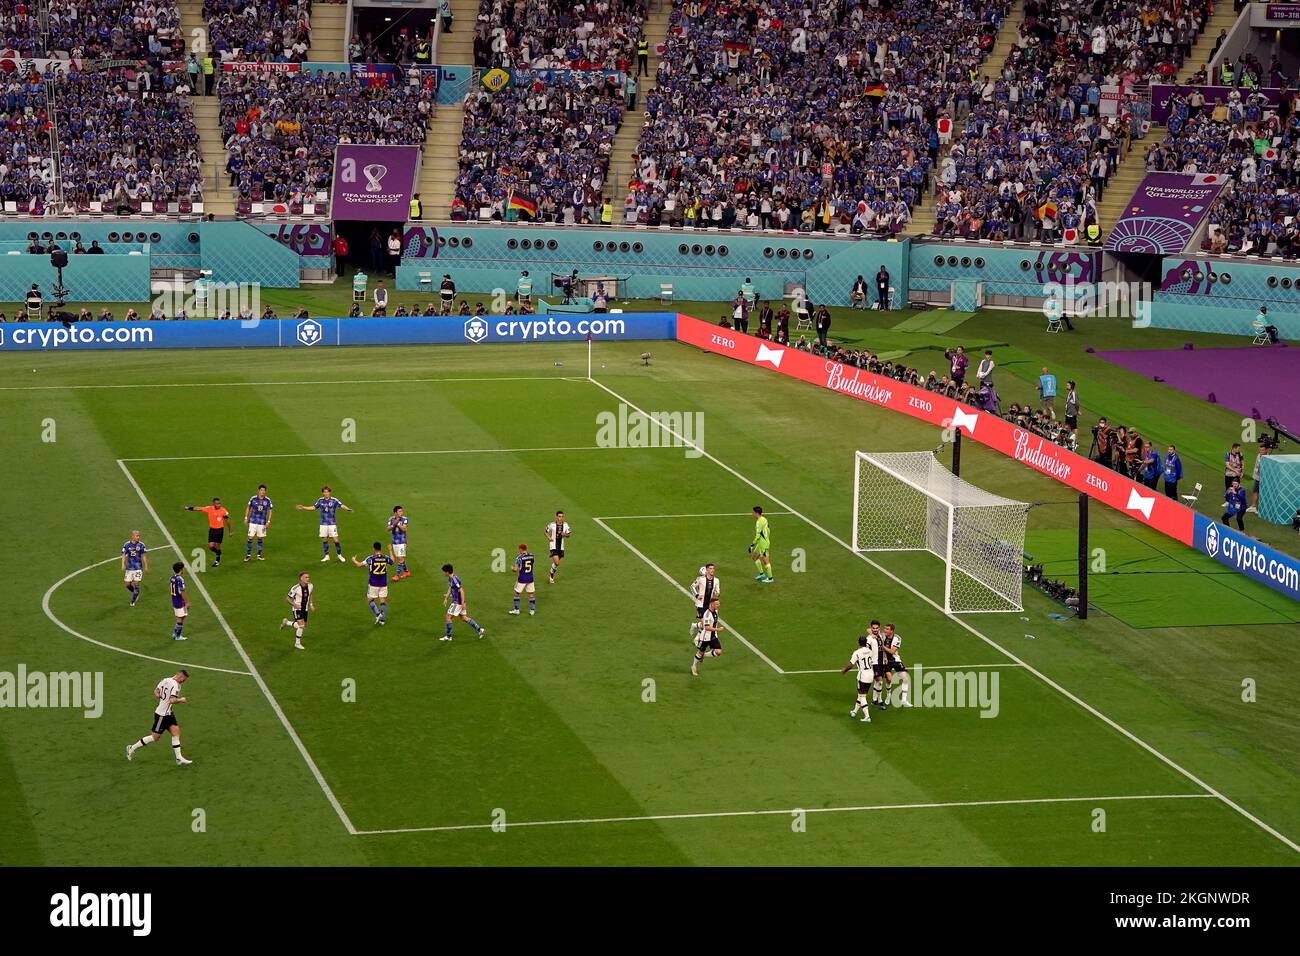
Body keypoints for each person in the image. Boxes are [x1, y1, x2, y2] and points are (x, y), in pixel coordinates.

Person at [125, 671, 192, 765]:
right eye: (184, 679)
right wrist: (181, 700)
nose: (183, 681)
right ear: (180, 676)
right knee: (155, 737)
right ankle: (131, 748)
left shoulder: (165, 680)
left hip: (168, 713)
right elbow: (172, 700)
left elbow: (156, 691)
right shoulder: (176, 685)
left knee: (176, 732)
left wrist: (160, 697)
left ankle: (179, 758)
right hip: (161, 715)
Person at [296, 486, 353, 562]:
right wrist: (303, 507)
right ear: (323, 493)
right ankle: (327, 556)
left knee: (336, 540)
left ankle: (339, 555)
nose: (326, 493)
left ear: (330, 492)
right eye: (324, 492)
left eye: (327, 492)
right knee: (324, 540)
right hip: (323, 524)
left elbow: (341, 505)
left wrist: (347, 509)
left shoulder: (334, 500)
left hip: (332, 524)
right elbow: (313, 507)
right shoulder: (320, 500)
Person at [840, 630, 880, 723]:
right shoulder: (870, 651)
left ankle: (867, 716)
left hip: (862, 677)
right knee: (861, 695)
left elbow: (851, 664)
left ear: (858, 643)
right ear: (866, 642)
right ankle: (854, 711)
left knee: (862, 697)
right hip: (871, 675)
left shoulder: (857, 652)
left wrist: (844, 670)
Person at [440, 564, 485, 640]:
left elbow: (461, 591)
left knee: (448, 617)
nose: (443, 573)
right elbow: (450, 588)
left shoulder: (454, 579)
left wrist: (463, 603)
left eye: (444, 572)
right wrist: (446, 598)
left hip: (457, 602)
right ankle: (480, 630)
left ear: (447, 572)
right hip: (458, 601)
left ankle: (448, 636)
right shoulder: (450, 578)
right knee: (464, 618)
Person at [353, 542, 393, 625]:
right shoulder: (385, 557)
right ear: (380, 549)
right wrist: (390, 550)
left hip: (373, 584)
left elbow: (359, 565)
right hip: (383, 584)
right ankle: (382, 619)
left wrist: (354, 560)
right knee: (382, 601)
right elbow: (392, 561)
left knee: (370, 600)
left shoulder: (371, 558)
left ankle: (378, 615)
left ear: (374, 549)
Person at [184, 497, 230, 567]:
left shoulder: (223, 510)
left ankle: (217, 560)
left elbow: (227, 521)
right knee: (210, 546)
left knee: (217, 546)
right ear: (213, 504)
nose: (219, 505)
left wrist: (230, 530)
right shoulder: (209, 508)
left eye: (220, 503)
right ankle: (218, 553)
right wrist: (188, 508)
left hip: (220, 530)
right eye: (217, 504)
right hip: (212, 530)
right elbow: (198, 508)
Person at [879, 622, 911, 709]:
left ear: (891, 631)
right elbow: (869, 630)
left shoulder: (897, 638)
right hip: (886, 660)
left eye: (887, 629)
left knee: (905, 678)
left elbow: (892, 652)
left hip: (895, 659)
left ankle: (904, 700)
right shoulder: (882, 635)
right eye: (884, 628)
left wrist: (882, 646)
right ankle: (889, 695)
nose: (884, 630)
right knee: (889, 679)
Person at [280, 572, 315, 650]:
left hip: (305, 609)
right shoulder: (295, 588)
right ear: (301, 578)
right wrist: (294, 604)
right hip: (297, 609)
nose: (308, 579)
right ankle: (297, 643)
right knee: (301, 626)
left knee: (303, 626)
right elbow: (288, 598)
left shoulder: (310, 586)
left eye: (308, 577)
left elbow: (311, 594)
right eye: (306, 577)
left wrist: (311, 604)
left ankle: (287, 623)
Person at [690, 597, 724, 677]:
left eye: (719, 604)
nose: (718, 605)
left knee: (718, 652)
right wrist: (718, 629)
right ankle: (694, 666)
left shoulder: (716, 611)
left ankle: (703, 655)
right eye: (717, 604)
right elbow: (706, 627)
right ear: (712, 604)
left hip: (713, 636)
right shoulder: (707, 614)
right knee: (699, 653)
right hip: (705, 637)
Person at [689, 564, 721, 637]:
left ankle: (695, 626)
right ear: (706, 570)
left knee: (710, 624)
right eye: (710, 568)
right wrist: (697, 595)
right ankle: (698, 640)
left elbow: (718, 591)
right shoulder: (700, 579)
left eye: (713, 568)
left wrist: (717, 593)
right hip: (700, 605)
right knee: (705, 626)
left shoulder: (716, 580)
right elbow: (692, 586)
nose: (712, 570)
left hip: (711, 605)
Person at [244, 484, 274, 562]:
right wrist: (246, 518)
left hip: (262, 522)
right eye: (261, 490)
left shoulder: (267, 500)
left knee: (260, 538)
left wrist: (268, 521)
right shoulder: (253, 499)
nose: (262, 492)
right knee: (250, 537)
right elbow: (248, 507)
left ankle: (259, 555)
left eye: (264, 490)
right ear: (258, 490)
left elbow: (270, 511)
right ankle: (248, 555)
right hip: (253, 521)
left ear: (265, 491)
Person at [121, 530, 149, 608]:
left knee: (136, 583)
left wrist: (146, 565)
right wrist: (123, 564)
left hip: (138, 568)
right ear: (132, 536)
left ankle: (133, 601)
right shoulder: (127, 545)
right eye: (137, 536)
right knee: (127, 584)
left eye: (139, 536)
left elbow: (144, 556)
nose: (138, 537)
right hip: (129, 568)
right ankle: (135, 592)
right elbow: (123, 555)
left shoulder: (141, 545)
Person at [545, 510, 572, 583]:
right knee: (557, 563)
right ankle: (551, 575)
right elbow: (545, 531)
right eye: (559, 516)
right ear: (556, 517)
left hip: (561, 547)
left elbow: (569, 534)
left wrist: (565, 534)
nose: (561, 518)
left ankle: (551, 574)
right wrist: (549, 538)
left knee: (556, 564)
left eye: (562, 517)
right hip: (553, 545)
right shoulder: (552, 524)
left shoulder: (566, 525)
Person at [510, 543, 537, 616]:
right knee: (531, 594)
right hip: (530, 577)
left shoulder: (519, 557)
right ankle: (532, 610)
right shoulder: (532, 556)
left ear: (521, 549)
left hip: (522, 578)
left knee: (516, 593)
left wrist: (512, 568)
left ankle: (516, 610)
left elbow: (515, 569)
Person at [750, 506, 773, 583]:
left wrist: (752, 545)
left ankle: (770, 578)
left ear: (756, 513)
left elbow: (758, 535)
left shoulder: (759, 522)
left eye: (753, 512)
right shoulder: (764, 519)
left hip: (763, 544)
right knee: (754, 556)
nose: (752, 514)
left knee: (766, 561)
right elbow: (768, 530)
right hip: (761, 542)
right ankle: (762, 574)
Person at [388, 506, 411, 579]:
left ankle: (397, 575)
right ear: (395, 513)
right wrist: (394, 524)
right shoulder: (391, 519)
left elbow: (404, 528)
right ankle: (406, 572)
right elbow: (388, 529)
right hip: (394, 542)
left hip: (402, 541)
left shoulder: (405, 519)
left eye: (402, 511)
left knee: (401, 558)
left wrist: (398, 524)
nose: (401, 513)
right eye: (399, 511)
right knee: (400, 558)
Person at [168, 562, 189, 642]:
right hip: (180, 601)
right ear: (181, 569)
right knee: (180, 618)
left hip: (174, 600)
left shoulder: (172, 577)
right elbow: (182, 592)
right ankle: (177, 635)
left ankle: (175, 633)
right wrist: (187, 602)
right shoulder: (180, 579)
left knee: (181, 617)